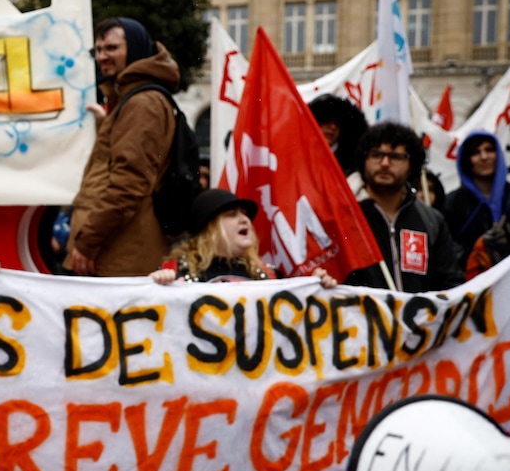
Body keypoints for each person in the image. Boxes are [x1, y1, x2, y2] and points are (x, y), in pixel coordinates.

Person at [65, 16, 178, 276]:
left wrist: (88, 241)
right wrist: (109, 126)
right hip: (113, 250)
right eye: (99, 50)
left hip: (115, 254)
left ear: (135, 48)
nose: (102, 56)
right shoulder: (132, 101)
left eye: (112, 48)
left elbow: (128, 183)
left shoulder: (142, 104)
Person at [345, 122, 466, 293]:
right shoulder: (346, 217)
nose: (385, 163)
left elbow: (451, 284)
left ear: (412, 166)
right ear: (363, 161)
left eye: (396, 157)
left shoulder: (431, 221)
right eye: (376, 155)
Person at [149, 189, 337, 287]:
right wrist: (158, 287)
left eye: (244, 214)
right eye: (231, 214)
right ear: (208, 229)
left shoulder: (270, 275)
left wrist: (316, 290)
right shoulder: (175, 273)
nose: (244, 220)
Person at [443, 130, 509, 255]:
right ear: (466, 159)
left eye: (489, 150)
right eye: (475, 152)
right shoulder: (452, 203)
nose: (484, 157)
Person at [308, 93, 368, 176]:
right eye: (327, 120)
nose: (333, 127)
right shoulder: (297, 157)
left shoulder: (353, 165)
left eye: (338, 123)